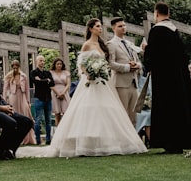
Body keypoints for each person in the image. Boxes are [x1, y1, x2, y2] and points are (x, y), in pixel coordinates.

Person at [16, 19, 147, 158]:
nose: (100, 29)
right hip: (90, 80)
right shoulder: (87, 45)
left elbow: (107, 63)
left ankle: (109, 141)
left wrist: (102, 70)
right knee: (90, 109)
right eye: (97, 27)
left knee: (107, 109)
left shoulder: (102, 45)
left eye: (100, 27)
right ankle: (87, 142)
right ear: (90, 29)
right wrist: (89, 72)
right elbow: (81, 65)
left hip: (103, 81)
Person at [141, 3, 191, 154]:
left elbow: (152, 56)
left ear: (156, 13)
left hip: (164, 78)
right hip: (178, 77)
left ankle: (170, 143)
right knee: (179, 107)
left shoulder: (157, 30)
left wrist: (145, 50)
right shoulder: (174, 30)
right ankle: (183, 140)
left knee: (167, 108)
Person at [106, 17, 142, 124]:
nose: (123, 28)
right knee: (122, 116)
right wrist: (127, 67)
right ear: (113, 28)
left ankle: (134, 139)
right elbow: (110, 63)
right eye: (120, 26)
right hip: (120, 84)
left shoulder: (129, 43)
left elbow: (138, 61)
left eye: (124, 25)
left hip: (134, 83)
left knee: (134, 116)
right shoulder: (111, 44)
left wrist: (137, 65)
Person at [2, 60, 36, 146]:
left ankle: (28, 139)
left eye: (16, 65)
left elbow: (27, 89)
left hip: (23, 96)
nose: (15, 67)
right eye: (14, 65)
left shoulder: (23, 76)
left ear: (19, 66)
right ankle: (16, 138)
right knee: (15, 115)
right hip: (13, 97)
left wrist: (28, 101)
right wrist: (5, 101)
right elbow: (5, 89)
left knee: (25, 114)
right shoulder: (9, 76)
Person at [29, 55, 53, 145]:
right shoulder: (33, 72)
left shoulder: (47, 72)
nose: (42, 62)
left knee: (48, 120)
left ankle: (48, 140)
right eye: (40, 61)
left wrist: (42, 80)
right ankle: (37, 140)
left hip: (48, 98)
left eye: (43, 61)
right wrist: (46, 81)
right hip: (39, 98)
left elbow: (52, 83)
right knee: (38, 120)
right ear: (36, 62)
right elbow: (34, 82)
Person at [50, 58, 71, 125]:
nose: (59, 65)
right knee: (57, 113)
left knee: (66, 112)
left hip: (64, 92)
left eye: (60, 64)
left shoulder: (66, 73)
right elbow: (50, 85)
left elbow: (68, 84)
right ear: (55, 65)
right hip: (55, 93)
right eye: (57, 64)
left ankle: (65, 130)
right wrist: (58, 93)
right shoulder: (51, 73)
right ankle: (58, 131)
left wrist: (63, 93)